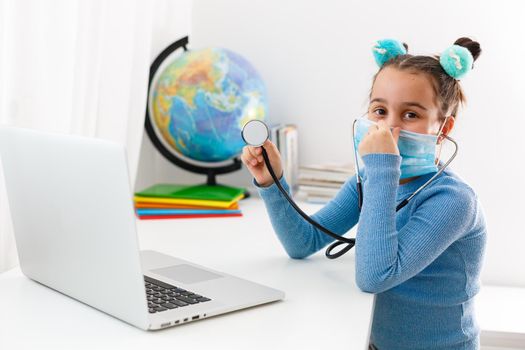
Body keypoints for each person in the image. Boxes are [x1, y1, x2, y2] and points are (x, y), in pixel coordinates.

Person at [240, 37, 487, 349]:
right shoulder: (370, 178)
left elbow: (375, 277)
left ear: (443, 129)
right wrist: (272, 182)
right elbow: (303, 241)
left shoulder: (454, 201)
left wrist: (384, 168)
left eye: (411, 115)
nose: (389, 128)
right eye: (380, 111)